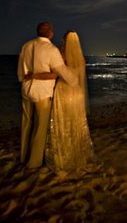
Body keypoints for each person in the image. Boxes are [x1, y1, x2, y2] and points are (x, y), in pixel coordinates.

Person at [29, 31, 95, 175]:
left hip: (63, 92)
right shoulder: (81, 59)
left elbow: (54, 74)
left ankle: (63, 158)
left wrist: (35, 76)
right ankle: (77, 156)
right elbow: (80, 79)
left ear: (66, 41)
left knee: (62, 125)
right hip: (77, 93)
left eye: (64, 39)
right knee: (76, 124)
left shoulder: (61, 56)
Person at [17, 22, 78, 169]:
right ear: (50, 33)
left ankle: (23, 157)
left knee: (26, 125)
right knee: (40, 127)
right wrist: (74, 80)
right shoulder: (51, 49)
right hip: (42, 93)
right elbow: (61, 71)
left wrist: (24, 80)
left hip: (26, 90)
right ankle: (34, 162)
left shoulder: (26, 46)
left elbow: (20, 71)